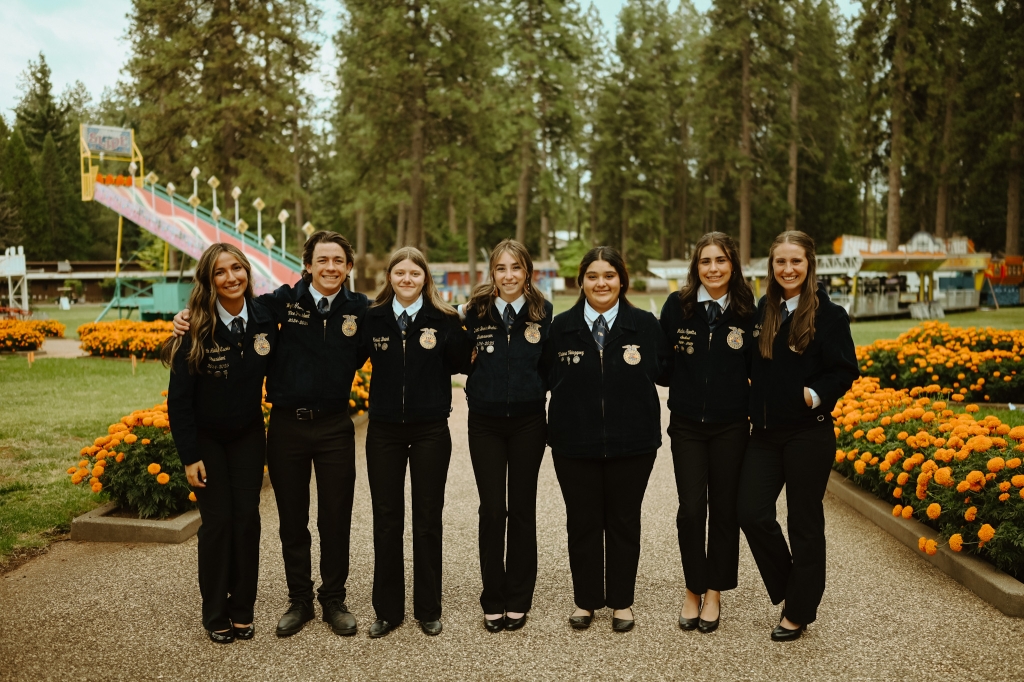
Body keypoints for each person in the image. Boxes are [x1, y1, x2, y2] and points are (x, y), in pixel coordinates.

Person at [173, 230, 368, 639]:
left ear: (349, 267)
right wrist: (184, 318)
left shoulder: (361, 310)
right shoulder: (279, 303)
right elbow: (220, 312)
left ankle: (333, 598)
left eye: (338, 261)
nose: (330, 267)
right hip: (286, 427)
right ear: (308, 266)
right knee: (290, 520)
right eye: (322, 260)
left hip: (334, 426)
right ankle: (299, 600)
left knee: (335, 517)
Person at [736, 230, 858, 642]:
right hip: (765, 436)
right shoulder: (762, 313)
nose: (788, 269)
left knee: (803, 522)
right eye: (780, 262)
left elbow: (843, 371)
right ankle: (795, 587)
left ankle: (799, 611)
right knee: (750, 512)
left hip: (809, 434)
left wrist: (812, 395)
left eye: (796, 262)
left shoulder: (830, 315)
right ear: (771, 267)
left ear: (809, 266)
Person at [543, 246, 670, 633]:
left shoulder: (645, 324)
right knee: (581, 522)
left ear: (622, 280)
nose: (601, 283)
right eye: (593, 276)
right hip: (573, 443)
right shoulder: (560, 327)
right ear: (581, 280)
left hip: (632, 443)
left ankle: (621, 602)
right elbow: (543, 376)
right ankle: (586, 600)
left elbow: (666, 372)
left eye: (609, 275)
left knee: (623, 522)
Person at [163, 243, 278, 643]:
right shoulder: (195, 325)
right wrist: (189, 456)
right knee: (217, 524)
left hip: (247, 435)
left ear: (247, 271)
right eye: (220, 272)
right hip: (207, 440)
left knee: (247, 520)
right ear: (208, 280)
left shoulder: (266, 316)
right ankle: (214, 612)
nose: (231, 278)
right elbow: (178, 400)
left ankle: (242, 608)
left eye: (237, 268)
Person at [359, 247, 469, 639]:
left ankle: (428, 608)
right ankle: (388, 611)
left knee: (427, 520)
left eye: (414, 273)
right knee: (387, 521)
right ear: (389, 277)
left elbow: (464, 362)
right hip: (385, 431)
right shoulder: (372, 318)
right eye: (400, 273)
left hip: (430, 431)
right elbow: (347, 355)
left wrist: (465, 323)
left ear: (426, 278)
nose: (407, 279)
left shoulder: (444, 319)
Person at [659, 232, 755, 634]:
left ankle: (715, 591)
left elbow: (762, 366)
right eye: (705, 262)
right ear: (695, 267)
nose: (713, 269)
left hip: (731, 425)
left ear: (732, 264)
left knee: (724, 510)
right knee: (691, 511)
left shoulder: (750, 309)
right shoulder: (678, 307)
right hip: (686, 427)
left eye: (720, 260)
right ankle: (693, 588)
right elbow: (661, 364)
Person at [460, 239, 552, 633]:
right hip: (485, 423)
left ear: (527, 272)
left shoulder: (542, 313)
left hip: (529, 422)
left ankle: (518, 598)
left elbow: (551, 365)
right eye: (501, 268)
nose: (509, 275)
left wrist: (533, 388)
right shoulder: (475, 312)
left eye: (516, 268)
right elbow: (460, 359)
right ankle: (492, 598)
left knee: (523, 508)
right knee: (492, 510)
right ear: (492, 274)